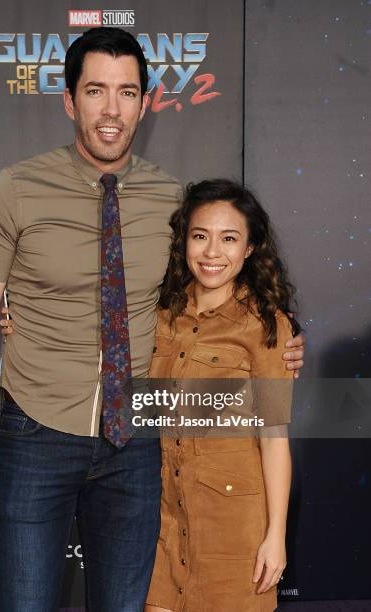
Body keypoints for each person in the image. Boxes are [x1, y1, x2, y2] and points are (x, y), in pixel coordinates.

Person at [0, 26, 304, 612]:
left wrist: (283, 339)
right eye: (95, 91)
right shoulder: (14, 190)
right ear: (69, 100)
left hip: (138, 440)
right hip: (36, 431)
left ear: (147, 102)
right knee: (25, 602)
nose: (111, 109)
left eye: (127, 92)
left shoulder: (173, 201)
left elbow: (219, 287)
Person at [143, 179, 297, 612]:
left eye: (229, 238)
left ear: (249, 248)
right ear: (184, 242)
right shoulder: (157, 316)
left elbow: (274, 439)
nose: (212, 253)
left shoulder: (265, 327)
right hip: (160, 524)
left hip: (234, 530)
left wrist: (276, 537)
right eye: (200, 236)